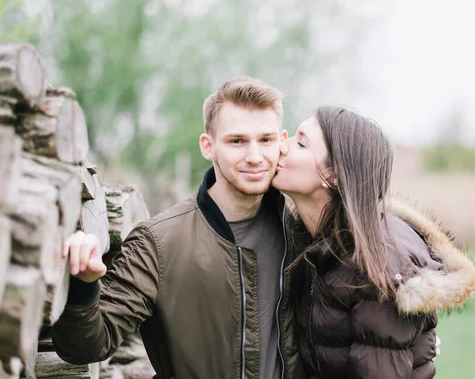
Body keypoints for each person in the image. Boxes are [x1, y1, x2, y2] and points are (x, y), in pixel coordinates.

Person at [51, 77, 306, 379]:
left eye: (266, 140)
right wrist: (83, 285)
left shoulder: (300, 229)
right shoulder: (157, 243)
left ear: (282, 141)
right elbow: (86, 347)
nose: (254, 156)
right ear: (207, 146)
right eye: (237, 141)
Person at [271, 105, 475, 378]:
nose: (280, 146)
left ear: (333, 176)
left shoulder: (376, 266)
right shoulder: (308, 241)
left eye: (300, 143)